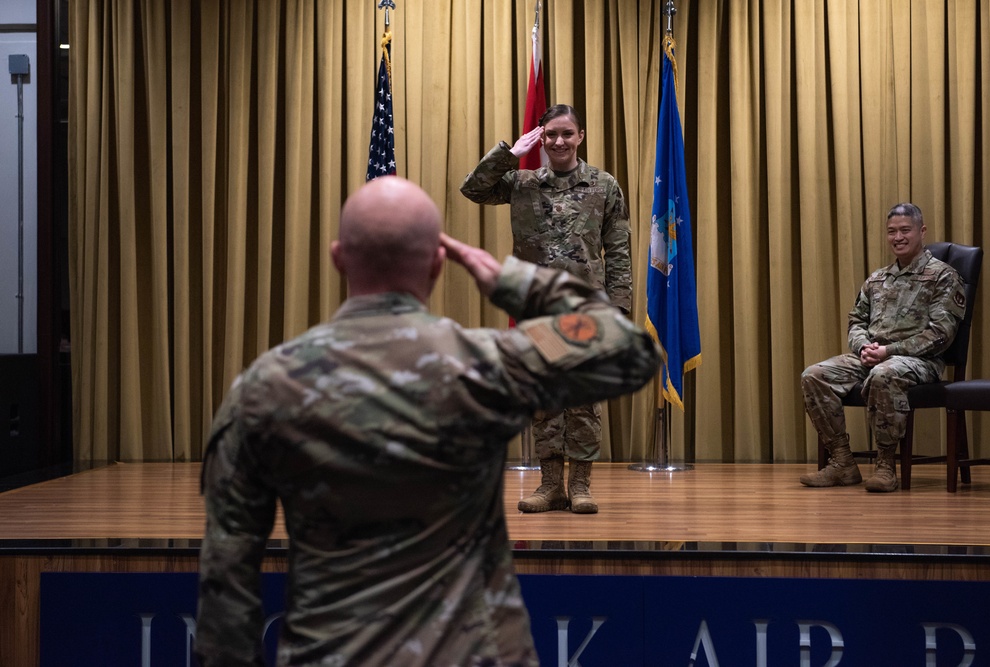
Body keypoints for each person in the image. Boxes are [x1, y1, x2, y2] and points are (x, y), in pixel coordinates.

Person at [194, 176, 657, 666]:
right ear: (439, 264)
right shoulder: (487, 365)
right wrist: (510, 281)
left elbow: (227, 579)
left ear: (338, 258)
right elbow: (626, 347)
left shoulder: (265, 387)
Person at [460, 104, 632, 514]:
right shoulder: (521, 182)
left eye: (566, 134)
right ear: (541, 137)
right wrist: (509, 153)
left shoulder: (603, 185)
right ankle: (550, 485)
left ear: (580, 137)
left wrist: (620, 308)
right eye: (550, 134)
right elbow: (473, 189)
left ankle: (582, 485)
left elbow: (619, 250)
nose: (558, 142)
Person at [799, 202, 966, 493]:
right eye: (891, 232)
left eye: (905, 230)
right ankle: (842, 463)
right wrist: (863, 346)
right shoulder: (877, 279)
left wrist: (888, 352)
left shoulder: (943, 276)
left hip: (919, 361)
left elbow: (942, 335)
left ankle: (886, 465)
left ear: (921, 231)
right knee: (814, 375)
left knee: (884, 374)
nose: (898, 237)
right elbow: (856, 320)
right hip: (872, 356)